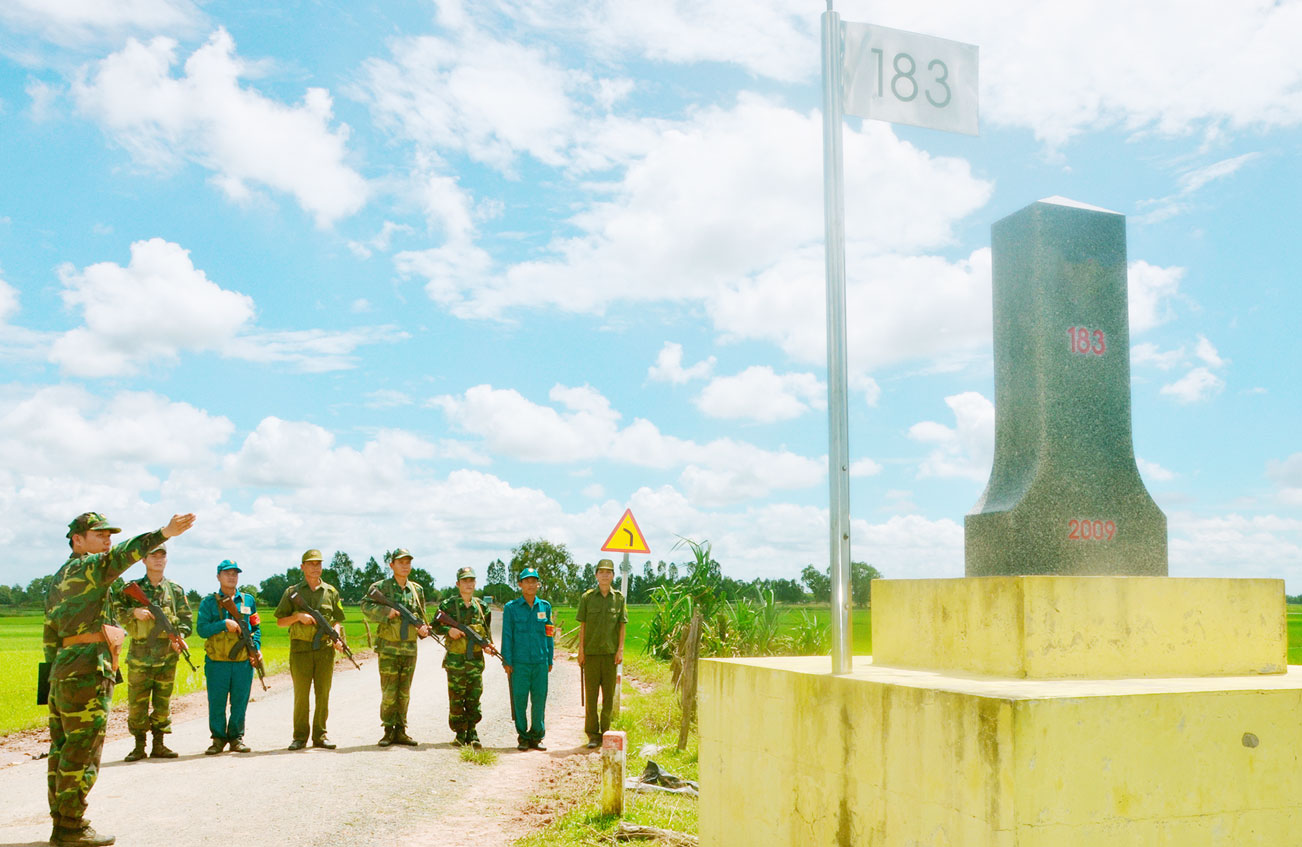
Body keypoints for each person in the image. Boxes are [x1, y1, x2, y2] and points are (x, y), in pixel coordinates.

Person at [44, 510, 196, 847]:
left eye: (109, 534)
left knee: (63, 750)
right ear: (77, 541)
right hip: (87, 670)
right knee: (82, 751)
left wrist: (52, 677)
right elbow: (123, 553)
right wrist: (164, 532)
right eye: (99, 535)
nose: (107, 540)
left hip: (65, 670)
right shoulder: (90, 567)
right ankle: (71, 827)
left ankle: (62, 823)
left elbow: (50, 633)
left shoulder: (57, 578)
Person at [116, 544, 194, 761]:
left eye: (162, 556)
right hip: (140, 655)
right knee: (137, 703)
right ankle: (139, 746)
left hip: (167, 656)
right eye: (153, 556)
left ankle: (159, 744)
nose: (158, 560)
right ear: (144, 560)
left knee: (163, 702)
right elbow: (115, 612)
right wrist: (134, 612)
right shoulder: (132, 588)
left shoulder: (175, 590)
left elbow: (186, 620)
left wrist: (181, 638)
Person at [275, 549, 346, 750]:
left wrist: (336, 636)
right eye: (311, 564)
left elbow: (337, 620)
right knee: (301, 695)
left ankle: (320, 735)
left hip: (324, 650)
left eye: (318, 564)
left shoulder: (330, 592)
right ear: (302, 567)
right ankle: (299, 737)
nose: (315, 568)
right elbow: (280, 622)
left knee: (323, 693)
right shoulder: (292, 593)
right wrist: (298, 617)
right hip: (300, 650)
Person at [360, 548, 430, 746]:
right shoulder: (380, 587)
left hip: (409, 648)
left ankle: (401, 730)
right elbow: (365, 606)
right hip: (388, 648)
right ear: (391, 565)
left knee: (404, 691)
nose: (405, 565)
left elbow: (421, 616)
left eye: (408, 562)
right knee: (389, 691)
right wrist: (386, 611)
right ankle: (388, 730)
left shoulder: (417, 590)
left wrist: (423, 630)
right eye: (401, 562)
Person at [197, 560, 261, 755]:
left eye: (235, 573)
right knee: (217, 702)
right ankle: (217, 739)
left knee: (240, 701)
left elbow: (256, 628)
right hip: (217, 662)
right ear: (218, 577)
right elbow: (201, 630)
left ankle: (236, 738)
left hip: (242, 662)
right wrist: (223, 624)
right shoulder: (208, 602)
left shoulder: (248, 600)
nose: (231, 577)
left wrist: (256, 649)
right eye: (227, 573)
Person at [432, 566, 492, 748]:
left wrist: (488, 645)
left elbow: (486, 633)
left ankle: (472, 732)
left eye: (472, 580)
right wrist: (448, 630)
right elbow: (434, 625)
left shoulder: (482, 607)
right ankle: (459, 733)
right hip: (455, 660)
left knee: (474, 696)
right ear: (458, 584)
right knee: (456, 697)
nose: (469, 584)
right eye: (465, 580)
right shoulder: (447, 606)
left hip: (474, 661)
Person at [501, 567, 554, 751]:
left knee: (539, 700)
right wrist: (506, 661)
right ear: (520, 584)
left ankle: (537, 736)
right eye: (527, 581)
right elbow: (507, 635)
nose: (531, 585)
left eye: (534, 581)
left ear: (538, 584)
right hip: (519, 663)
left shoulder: (545, 607)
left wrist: (550, 659)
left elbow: (549, 634)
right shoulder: (511, 608)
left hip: (540, 662)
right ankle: (523, 736)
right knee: (520, 700)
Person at [576, 558, 627, 748]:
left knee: (608, 696)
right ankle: (592, 734)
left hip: (610, 655)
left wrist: (620, 650)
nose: (605, 575)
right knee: (591, 696)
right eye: (602, 572)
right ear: (596, 575)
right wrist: (580, 651)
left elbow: (622, 626)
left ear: (613, 576)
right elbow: (583, 625)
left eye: (609, 572)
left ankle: (606, 731)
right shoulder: (587, 598)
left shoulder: (619, 599)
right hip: (590, 654)